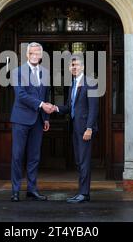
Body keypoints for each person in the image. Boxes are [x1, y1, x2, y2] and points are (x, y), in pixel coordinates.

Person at [10, 42, 55, 202]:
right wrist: (42, 105)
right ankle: (15, 191)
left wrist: (46, 117)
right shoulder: (17, 72)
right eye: (32, 53)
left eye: (38, 53)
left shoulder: (45, 73)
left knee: (34, 157)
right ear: (27, 55)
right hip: (21, 119)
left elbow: (46, 96)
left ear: (41, 55)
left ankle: (32, 190)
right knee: (17, 156)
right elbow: (21, 95)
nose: (35, 55)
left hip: (38, 120)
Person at [53, 55, 99, 203]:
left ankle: (84, 194)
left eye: (77, 65)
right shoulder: (72, 85)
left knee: (84, 161)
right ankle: (82, 192)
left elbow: (93, 109)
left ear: (83, 67)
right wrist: (54, 108)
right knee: (79, 161)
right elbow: (68, 108)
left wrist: (89, 128)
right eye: (71, 65)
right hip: (75, 129)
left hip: (85, 130)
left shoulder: (90, 83)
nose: (74, 67)